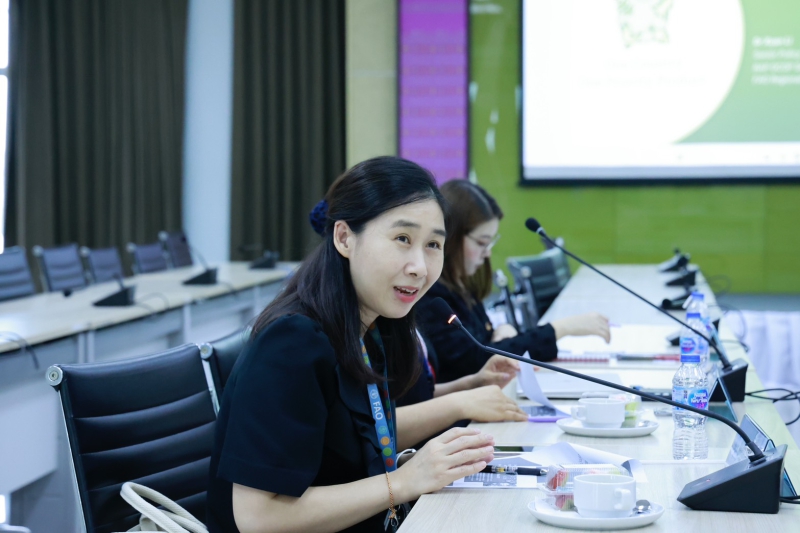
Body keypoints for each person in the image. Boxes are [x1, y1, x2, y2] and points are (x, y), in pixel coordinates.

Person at [208, 157, 515, 533]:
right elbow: (259, 517)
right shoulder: (292, 343)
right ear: (344, 238)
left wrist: (430, 460)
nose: (420, 266)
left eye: (434, 244)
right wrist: (404, 481)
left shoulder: (371, 326)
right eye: (402, 239)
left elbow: (364, 434)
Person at [415, 179, 611, 384]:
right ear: (450, 237)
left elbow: (484, 345)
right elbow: (475, 359)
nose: (487, 253)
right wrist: (562, 328)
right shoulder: (431, 296)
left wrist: (501, 331)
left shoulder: (463, 287)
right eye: (482, 243)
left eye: (490, 243)